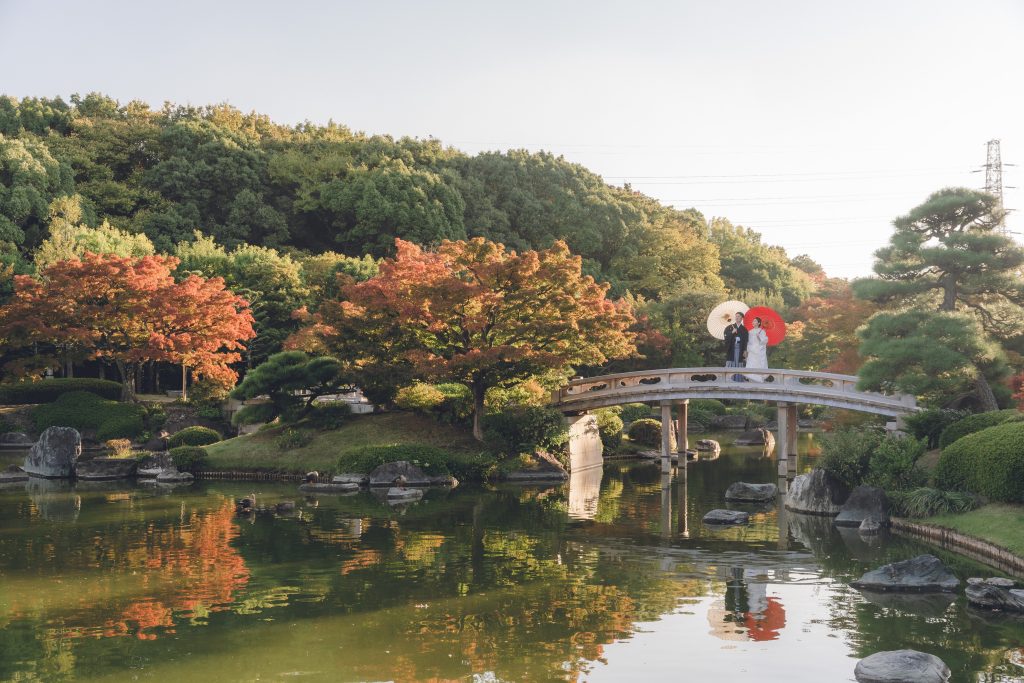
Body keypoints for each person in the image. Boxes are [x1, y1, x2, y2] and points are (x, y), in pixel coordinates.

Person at [723, 312, 748, 380]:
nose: (737, 318)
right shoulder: (729, 327)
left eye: (738, 316)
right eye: (736, 316)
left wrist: (745, 350)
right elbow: (726, 337)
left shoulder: (744, 329)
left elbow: (746, 340)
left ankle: (738, 379)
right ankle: (729, 379)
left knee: (739, 362)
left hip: (740, 349)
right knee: (731, 362)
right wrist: (732, 332)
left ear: (742, 318)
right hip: (731, 349)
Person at [744, 316, 769, 382]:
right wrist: (747, 351)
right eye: (753, 321)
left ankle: (759, 379)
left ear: (759, 323)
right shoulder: (750, 332)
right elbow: (749, 342)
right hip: (752, 351)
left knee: (759, 364)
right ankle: (751, 380)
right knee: (751, 364)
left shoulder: (762, 331)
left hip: (759, 351)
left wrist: (759, 337)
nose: (753, 322)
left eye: (755, 321)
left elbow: (764, 341)